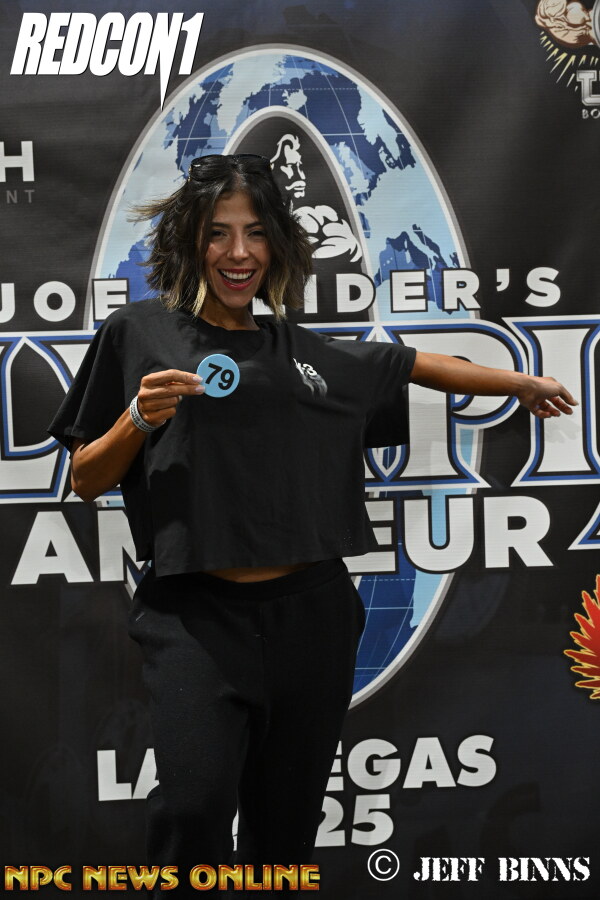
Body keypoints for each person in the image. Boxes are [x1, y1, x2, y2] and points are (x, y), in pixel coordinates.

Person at [48, 154, 576, 896]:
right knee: (192, 812)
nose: (238, 252)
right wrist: (136, 417)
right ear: (190, 239)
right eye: (218, 232)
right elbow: (84, 478)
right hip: (195, 620)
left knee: (286, 829)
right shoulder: (136, 333)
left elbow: (412, 364)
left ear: (278, 247)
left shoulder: (306, 354)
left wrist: (520, 381)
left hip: (312, 617)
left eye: (256, 233)